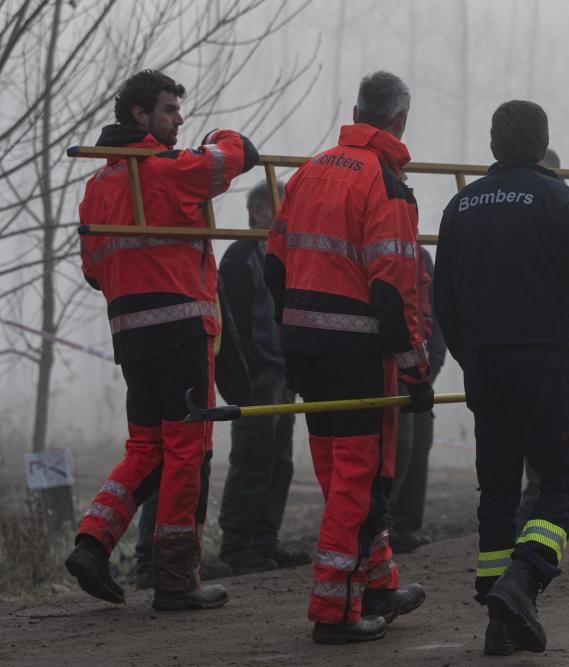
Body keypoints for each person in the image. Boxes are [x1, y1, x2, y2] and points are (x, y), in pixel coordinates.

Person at [434, 100, 569, 655]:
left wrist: (469, 352)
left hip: (485, 365)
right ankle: (523, 579)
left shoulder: (460, 206)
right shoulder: (557, 197)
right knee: (566, 477)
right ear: (542, 147)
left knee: (496, 484)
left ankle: (500, 618)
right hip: (544, 359)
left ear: (493, 145)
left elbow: (442, 294)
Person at [66, 69, 258, 611]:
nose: (178, 119)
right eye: (171, 109)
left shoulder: (97, 188)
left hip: (129, 333)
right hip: (181, 328)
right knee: (186, 450)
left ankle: (92, 541)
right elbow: (239, 151)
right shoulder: (165, 168)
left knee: (146, 447)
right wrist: (216, 135)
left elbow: (92, 270)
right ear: (140, 116)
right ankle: (176, 578)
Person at [264, 71, 430, 645]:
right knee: (362, 481)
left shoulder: (309, 170)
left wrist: (298, 328)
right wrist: (415, 367)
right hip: (359, 353)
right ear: (400, 120)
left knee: (342, 475)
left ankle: (377, 584)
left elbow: (274, 265)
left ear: (357, 111)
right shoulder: (386, 183)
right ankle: (334, 611)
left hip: (305, 349)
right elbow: (393, 290)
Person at [214, 180, 312, 573]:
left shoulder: (289, 253)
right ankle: (237, 547)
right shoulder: (240, 255)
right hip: (256, 377)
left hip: (284, 372)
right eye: (280, 207)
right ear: (258, 213)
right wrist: (247, 376)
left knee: (281, 459)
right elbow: (233, 323)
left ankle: (265, 541)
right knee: (252, 457)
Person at [516, 148, 569, 529]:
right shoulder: (563, 204)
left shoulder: (555, 206)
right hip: (548, 337)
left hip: (542, 336)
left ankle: (552, 496)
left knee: (548, 419)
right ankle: (554, 497)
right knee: (550, 419)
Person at [387, 244, 447, 553]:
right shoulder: (381, 251)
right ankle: (379, 529)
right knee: (399, 449)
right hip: (392, 369)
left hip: (420, 369)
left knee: (417, 444)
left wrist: (431, 366)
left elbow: (434, 315)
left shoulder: (421, 255)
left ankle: (406, 526)